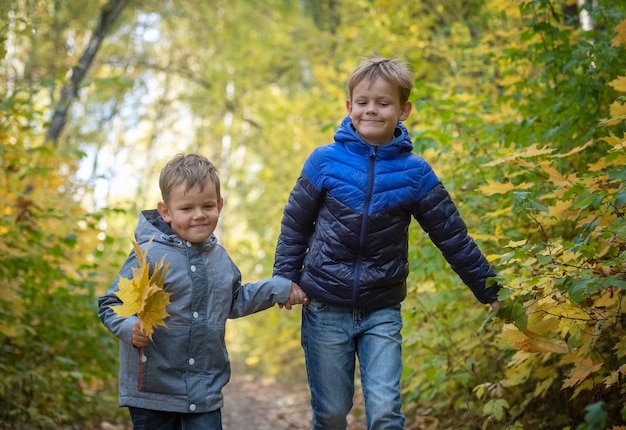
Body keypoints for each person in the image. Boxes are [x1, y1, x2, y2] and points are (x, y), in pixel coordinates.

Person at [273, 57, 501, 430]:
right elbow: (295, 225)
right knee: (331, 414)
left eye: (383, 102)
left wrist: (489, 288)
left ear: (403, 110)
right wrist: (284, 280)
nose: (371, 110)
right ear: (349, 108)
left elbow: (452, 236)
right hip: (325, 306)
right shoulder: (323, 162)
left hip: (382, 309)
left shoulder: (416, 173)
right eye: (363, 102)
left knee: (384, 413)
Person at [98, 153, 308, 430]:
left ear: (219, 205)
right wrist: (129, 326)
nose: (199, 215)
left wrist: (277, 288)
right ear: (166, 211)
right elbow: (110, 303)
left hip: (204, 389)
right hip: (152, 392)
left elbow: (233, 301)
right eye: (186, 208)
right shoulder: (148, 254)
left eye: (207, 206)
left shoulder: (220, 258)